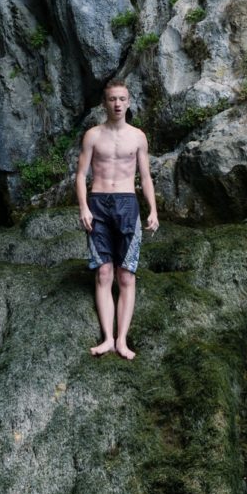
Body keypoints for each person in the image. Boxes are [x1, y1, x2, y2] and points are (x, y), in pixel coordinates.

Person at [76, 80, 159, 360]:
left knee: (126, 275)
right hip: (98, 201)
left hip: (127, 203)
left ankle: (122, 340)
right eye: (112, 99)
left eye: (122, 99)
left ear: (129, 101)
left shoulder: (138, 137)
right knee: (103, 272)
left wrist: (153, 210)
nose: (118, 104)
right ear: (105, 103)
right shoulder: (93, 136)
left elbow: (145, 177)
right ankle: (107, 339)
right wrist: (84, 208)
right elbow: (80, 175)